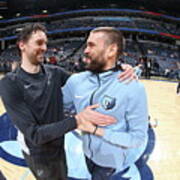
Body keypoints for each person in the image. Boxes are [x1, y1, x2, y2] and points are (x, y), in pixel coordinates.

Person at [0, 23, 134, 180]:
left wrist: (117, 69)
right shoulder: (10, 83)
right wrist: (77, 120)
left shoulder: (54, 73)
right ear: (22, 45)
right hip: (38, 154)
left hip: (57, 145)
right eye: (39, 43)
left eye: (45, 43)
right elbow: (34, 135)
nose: (44, 48)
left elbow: (88, 83)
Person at [63, 27, 148, 180]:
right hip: (87, 152)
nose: (86, 50)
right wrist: (77, 117)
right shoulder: (76, 81)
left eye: (91, 45)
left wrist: (97, 131)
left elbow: (137, 138)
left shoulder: (133, 88)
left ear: (111, 50)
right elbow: (56, 109)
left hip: (110, 160)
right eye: (86, 45)